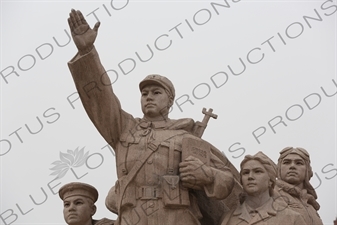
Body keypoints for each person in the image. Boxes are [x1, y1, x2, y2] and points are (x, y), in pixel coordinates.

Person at [67, 9, 237, 225]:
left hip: (177, 217)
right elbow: (100, 99)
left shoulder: (186, 136)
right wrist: (88, 52)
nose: (149, 97)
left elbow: (226, 181)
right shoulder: (124, 128)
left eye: (156, 93)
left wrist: (208, 175)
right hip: (133, 217)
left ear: (170, 100)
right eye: (144, 93)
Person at [220, 151, 306, 225]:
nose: (250, 177)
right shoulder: (228, 218)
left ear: (271, 180)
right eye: (246, 173)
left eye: (257, 171)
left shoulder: (292, 218)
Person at [274, 147, 323, 225]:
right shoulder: (269, 196)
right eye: (286, 162)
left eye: (299, 163)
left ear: (307, 170)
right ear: (279, 168)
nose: (292, 166)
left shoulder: (311, 205)